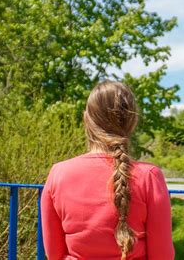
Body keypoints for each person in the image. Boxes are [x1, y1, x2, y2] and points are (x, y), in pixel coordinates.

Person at [41, 80, 175, 260]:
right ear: (133, 122)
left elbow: (54, 255)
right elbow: (162, 256)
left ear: (86, 119)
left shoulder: (58, 174)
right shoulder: (149, 177)